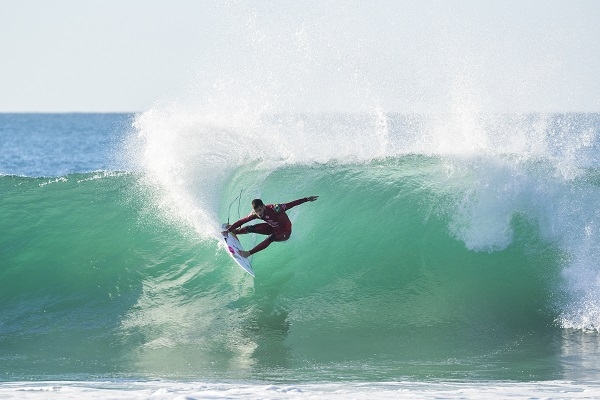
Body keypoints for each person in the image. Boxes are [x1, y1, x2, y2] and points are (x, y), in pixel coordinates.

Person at [223, 196, 319, 257]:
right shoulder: (255, 213)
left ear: (264, 206)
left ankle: (248, 253)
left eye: (260, 210)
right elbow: (243, 221)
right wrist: (229, 230)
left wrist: (306, 199)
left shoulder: (276, 208)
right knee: (250, 228)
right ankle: (235, 231)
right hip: (273, 227)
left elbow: (292, 204)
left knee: (271, 237)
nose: (259, 213)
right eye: (257, 211)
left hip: (285, 232)